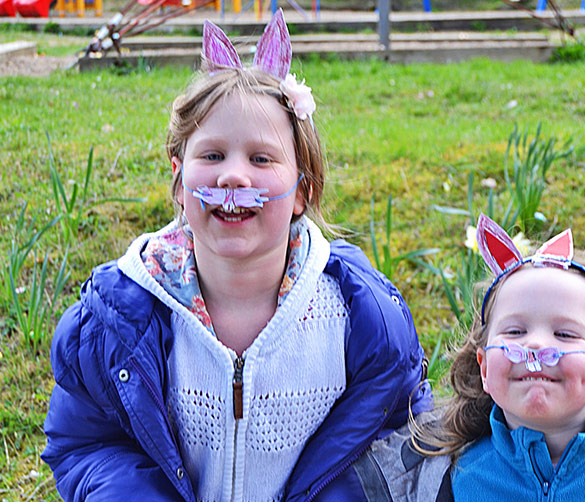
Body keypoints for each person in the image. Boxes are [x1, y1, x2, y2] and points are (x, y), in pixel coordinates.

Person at [41, 11, 432, 502]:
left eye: (261, 159)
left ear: (302, 192)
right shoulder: (120, 314)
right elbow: (87, 440)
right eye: (212, 156)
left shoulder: (359, 315)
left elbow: (397, 433)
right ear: (181, 181)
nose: (233, 178)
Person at [350, 213, 585, 501]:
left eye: (564, 333)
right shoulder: (442, 478)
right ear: (483, 368)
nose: (535, 346)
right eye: (514, 331)